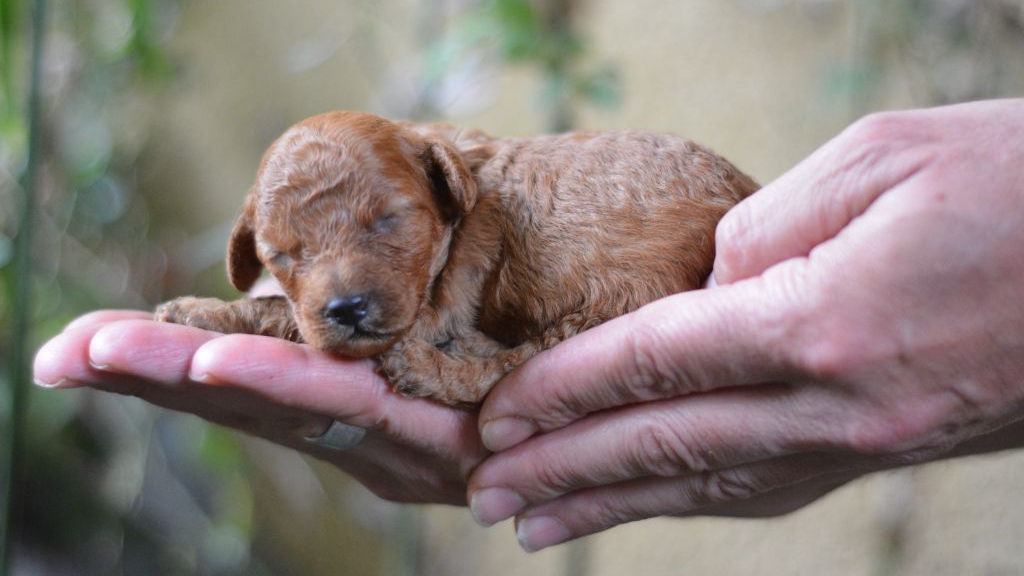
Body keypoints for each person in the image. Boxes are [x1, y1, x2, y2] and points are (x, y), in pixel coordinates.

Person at [34, 99, 1024, 552]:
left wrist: (475, 369)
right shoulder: (387, 224)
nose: (340, 286)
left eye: (387, 225)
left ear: (445, 187)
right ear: (257, 249)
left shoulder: (479, 211)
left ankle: (505, 367)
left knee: (482, 347)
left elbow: (412, 338)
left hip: (645, 238)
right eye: (289, 257)